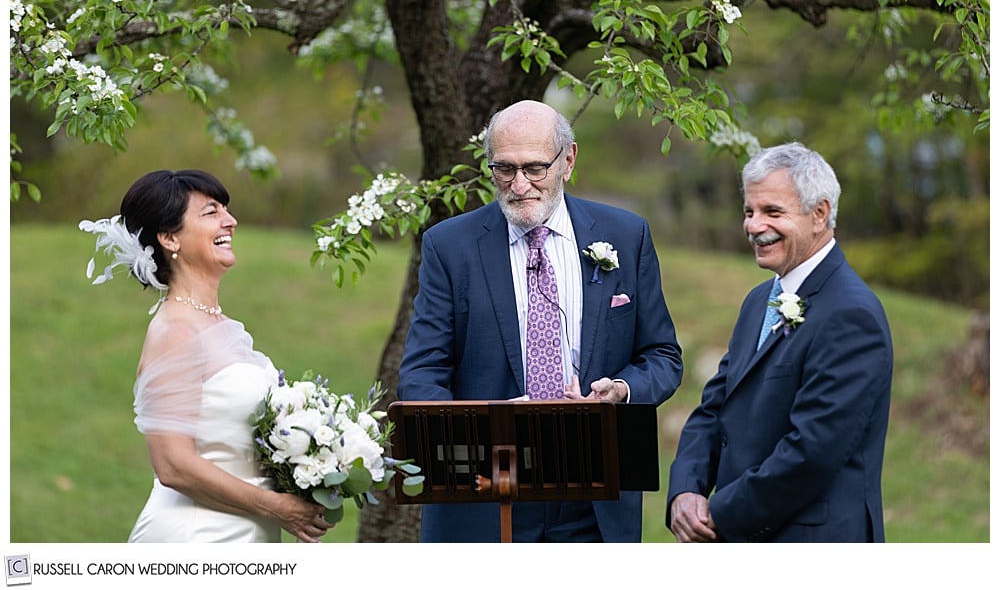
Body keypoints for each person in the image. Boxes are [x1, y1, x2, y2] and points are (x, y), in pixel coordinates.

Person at [397, 100, 684, 542]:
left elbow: (662, 356)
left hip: (595, 499)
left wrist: (621, 391)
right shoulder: (449, 246)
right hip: (486, 498)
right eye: (504, 169)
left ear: (568, 160)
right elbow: (420, 375)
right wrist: (483, 430)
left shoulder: (626, 236)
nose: (518, 185)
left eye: (534, 168)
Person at [80, 169, 334, 542]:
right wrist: (275, 507)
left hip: (250, 535)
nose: (230, 221)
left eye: (226, 210)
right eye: (211, 212)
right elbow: (173, 466)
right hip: (198, 538)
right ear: (169, 238)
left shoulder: (227, 328)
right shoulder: (175, 331)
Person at [667, 142, 893, 543]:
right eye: (749, 211)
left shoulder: (851, 315)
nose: (754, 226)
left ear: (819, 213)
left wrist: (717, 514)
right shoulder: (759, 301)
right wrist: (686, 489)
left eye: (772, 212)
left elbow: (812, 452)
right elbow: (715, 406)